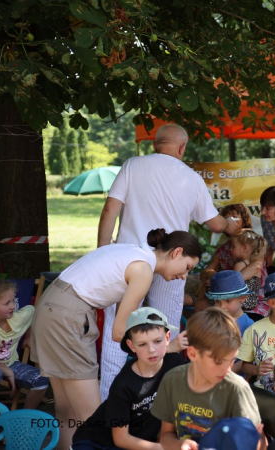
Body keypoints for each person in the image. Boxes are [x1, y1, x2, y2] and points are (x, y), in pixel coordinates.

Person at [97, 123, 239, 401]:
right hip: (172, 264)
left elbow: (110, 208)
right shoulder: (191, 177)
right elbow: (214, 222)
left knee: (117, 337)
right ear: (182, 147)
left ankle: (109, 405)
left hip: (127, 264)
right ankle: (159, 403)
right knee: (167, 335)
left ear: (155, 144)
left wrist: (103, 250)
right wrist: (231, 224)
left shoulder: (132, 165)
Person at [30, 228, 200, 450]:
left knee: (66, 409)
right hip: (67, 315)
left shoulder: (134, 253)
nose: (184, 276)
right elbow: (120, 333)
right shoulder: (143, 270)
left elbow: (127, 324)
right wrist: (166, 348)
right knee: (95, 422)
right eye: (187, 267)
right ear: (176, 252)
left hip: (50, 307)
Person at [71, 308, 185, 450]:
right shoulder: (124, 384)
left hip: (141, 442)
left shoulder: (175, 363)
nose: (152, 350)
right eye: (142, 344)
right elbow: (121, 439)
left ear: (167, 338)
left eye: (157, 341)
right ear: (132, 346)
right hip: (98, 443)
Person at [151, 308, 262, 449]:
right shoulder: (172, 380)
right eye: (218, 362)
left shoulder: (237, 388)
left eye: (232, 360)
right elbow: (165, 435)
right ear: (192, 354)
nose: (228, 369)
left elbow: (257, 442)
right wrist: (180, 445)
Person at [199, 204, 269, 315]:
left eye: (234, 217)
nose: (230, 221)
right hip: (229, 295)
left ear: (244, 220)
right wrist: (212, 275)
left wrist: (221, 281)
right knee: (202, 298)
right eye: (226, 218)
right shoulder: (223, 250)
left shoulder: (254, 244)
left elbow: (256, 266)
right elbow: (204, 274)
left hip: (250, 296)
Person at [0, 280, 49, 409]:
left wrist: (29, 337)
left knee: (42, 379)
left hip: (12, 363)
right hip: (1, 369)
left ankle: (25, 417)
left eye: (13, 301)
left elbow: (32, 312)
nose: (13, 306)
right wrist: (6, 371)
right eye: (7, 303)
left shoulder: (19, 318)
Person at [205, 270, 255, 337]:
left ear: (243, 298)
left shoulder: (250, 327)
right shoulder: (211, 322)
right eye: (217, 301)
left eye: (228, 301)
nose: (222, 306)